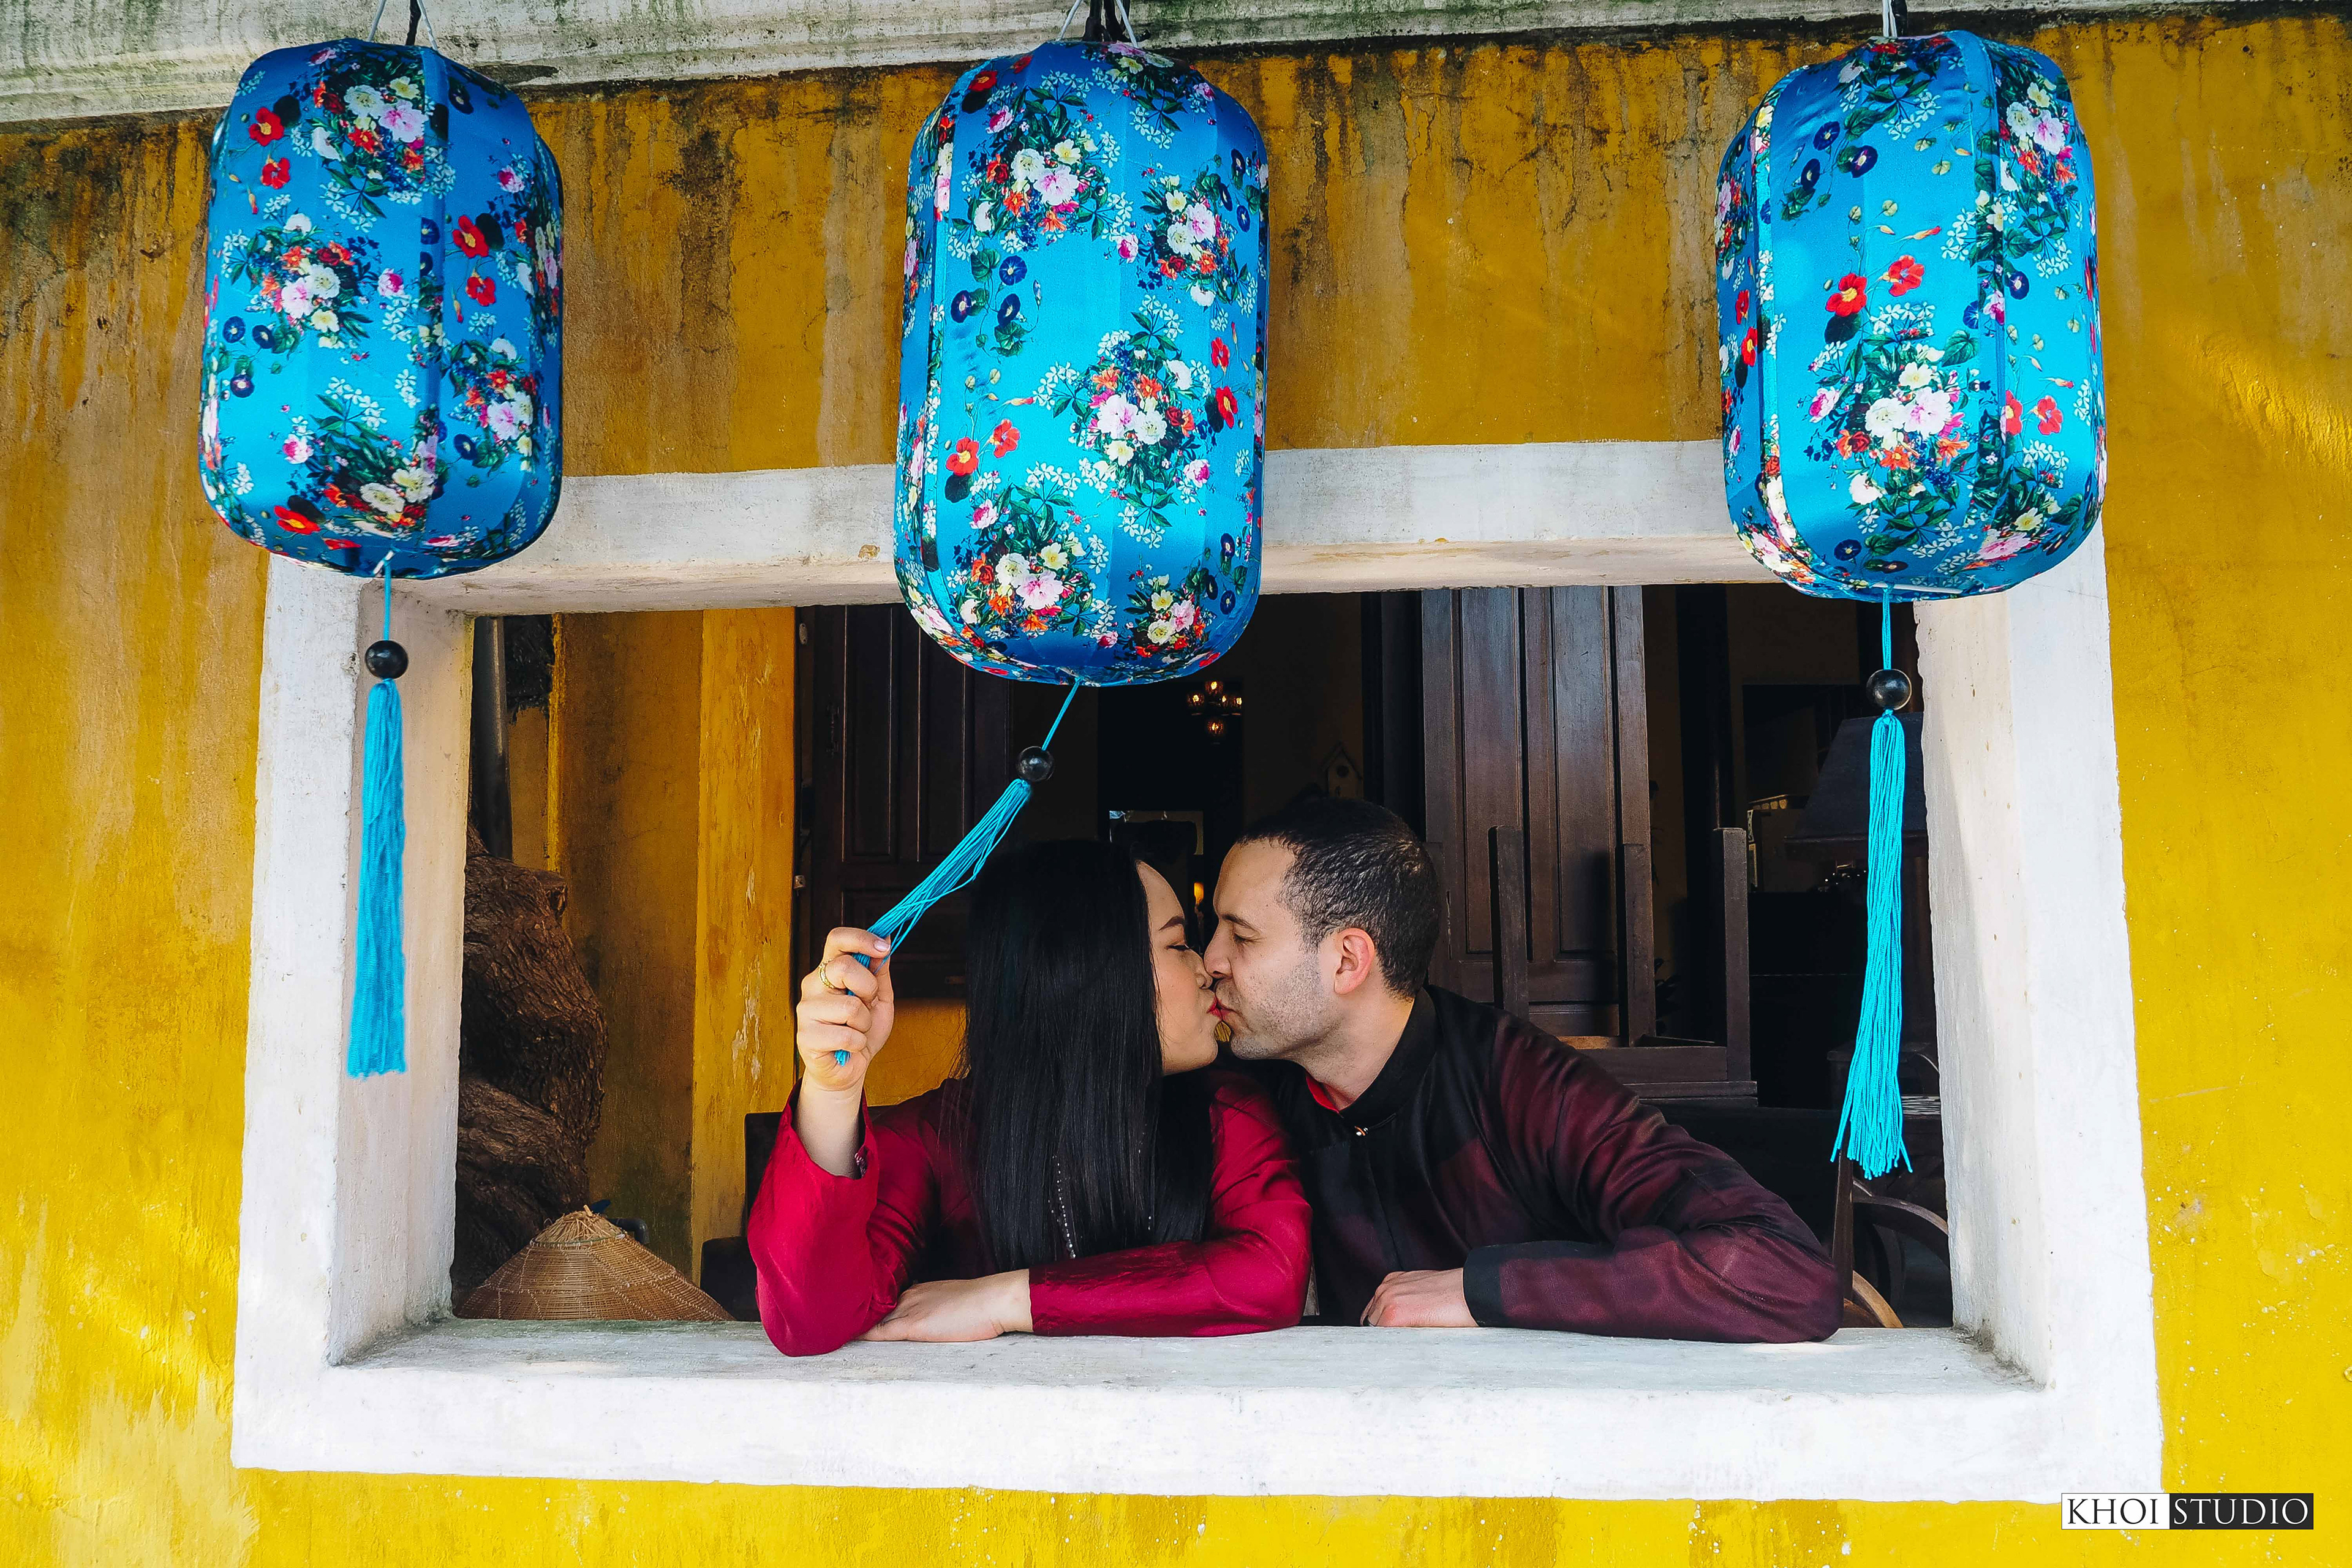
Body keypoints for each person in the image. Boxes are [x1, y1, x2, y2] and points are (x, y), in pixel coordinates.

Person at [1203, 796, 1841, 1341]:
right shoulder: (1248, 1094)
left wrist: (1489, 1289)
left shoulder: (1522, 1084)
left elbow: (1784, 1270)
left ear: (1348, 961)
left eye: (1242, 936)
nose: (1211, 960)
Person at [748, 839, 1311, 1356]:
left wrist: (1006, 1301)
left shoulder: (1228, 1115)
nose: (1207, 967)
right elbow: (810, 1320)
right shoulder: (941, 1138)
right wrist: (830, 1089)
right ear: (1086, 976)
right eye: (1178, 943)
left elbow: (1269, 1275)